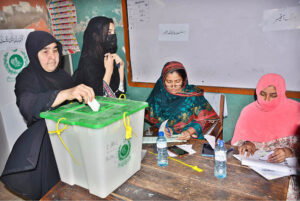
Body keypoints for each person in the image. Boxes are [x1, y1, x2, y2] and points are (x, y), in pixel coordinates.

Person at [0, 31, 95, 200]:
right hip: (47, 144)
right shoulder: (26, 77)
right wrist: (65, 94)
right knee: (54, 191)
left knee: (77, 187)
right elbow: (27, 104)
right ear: (33, 53)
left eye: (55, 50)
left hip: (69, 138)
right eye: (45, 51)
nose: (52, 57)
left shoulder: (62, 75)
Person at [231, 73, 300, 200]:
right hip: (256, 166)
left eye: (273, 95)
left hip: (288, 169)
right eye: (263, 94)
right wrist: (247, 143)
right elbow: (237, 142)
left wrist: (289, 152)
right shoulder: (248, 111)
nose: (267, 100)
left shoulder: (296, 110)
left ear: (281, 93)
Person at [145, 61, 219, 140]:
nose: (173, 85)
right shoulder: (159, 95)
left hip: (191, 136)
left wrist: (189, 132)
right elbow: (155, 118)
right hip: (166, 138)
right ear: (163, 81)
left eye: (177, 81)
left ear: (184, 80)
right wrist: (163, 128)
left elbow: (205, 119)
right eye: (169, 82)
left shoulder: (193, 95)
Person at [73, 16, 125, 98]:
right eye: (109, 32)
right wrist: (109, 71)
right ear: (96, 36)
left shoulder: (109, 56)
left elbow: (120, 93)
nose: (113, 36)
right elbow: (101, 98)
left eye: (114, 32)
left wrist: (121, 68)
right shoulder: (88, 62)